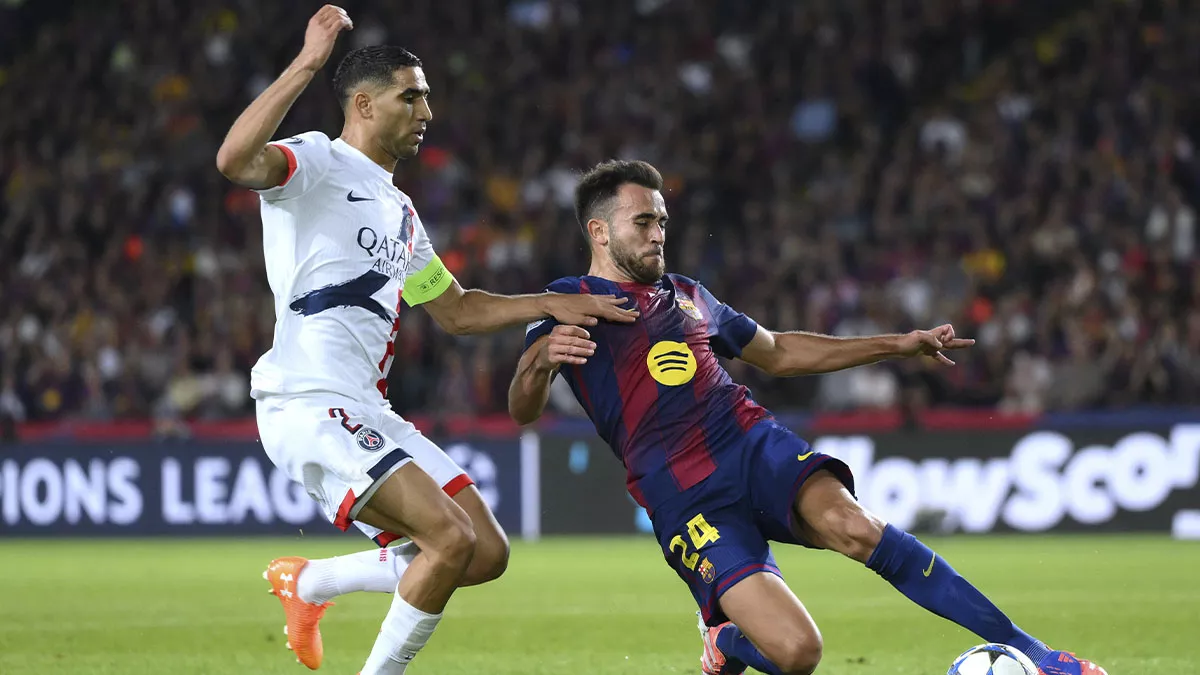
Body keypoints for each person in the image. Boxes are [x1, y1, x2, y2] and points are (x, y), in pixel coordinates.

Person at [508, 159, 1107, 675]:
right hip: (684, 495)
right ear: (599, 230)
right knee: (797, 653)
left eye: (662, 220)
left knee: (857, 527)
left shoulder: (688, 294)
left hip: (748, 442)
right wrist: (540, 362)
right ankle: (725, 640)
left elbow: (779, 351)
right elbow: (522, 409)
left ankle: (1037, 655)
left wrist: (896, 345)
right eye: (644, 222)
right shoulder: (567, 300)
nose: (659, 234)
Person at [214, 7, 637, 674]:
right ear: (364, 104)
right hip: (308, 399)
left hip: (366, 408)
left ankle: (311, 582)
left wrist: (549, 302)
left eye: (427, 97)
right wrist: (308, 62)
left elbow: (457, 311)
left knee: (485, 552)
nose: (426, 112)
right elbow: (234, 159)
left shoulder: (401, 212)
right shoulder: (317, 162)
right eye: (410, 96)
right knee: (447, 538)